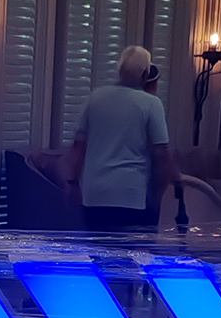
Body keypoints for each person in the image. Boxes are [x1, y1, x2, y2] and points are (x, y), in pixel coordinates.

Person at [69, 44, 177, 231]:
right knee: (132, 248)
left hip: (94, 194)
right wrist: (159, 193)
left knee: (98, 246)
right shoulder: (151, 104)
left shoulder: (95, 98)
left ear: (120, 70)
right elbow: (161, 153)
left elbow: (78, 146)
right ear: (146, 73)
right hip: (131, 195)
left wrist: (71, 182)